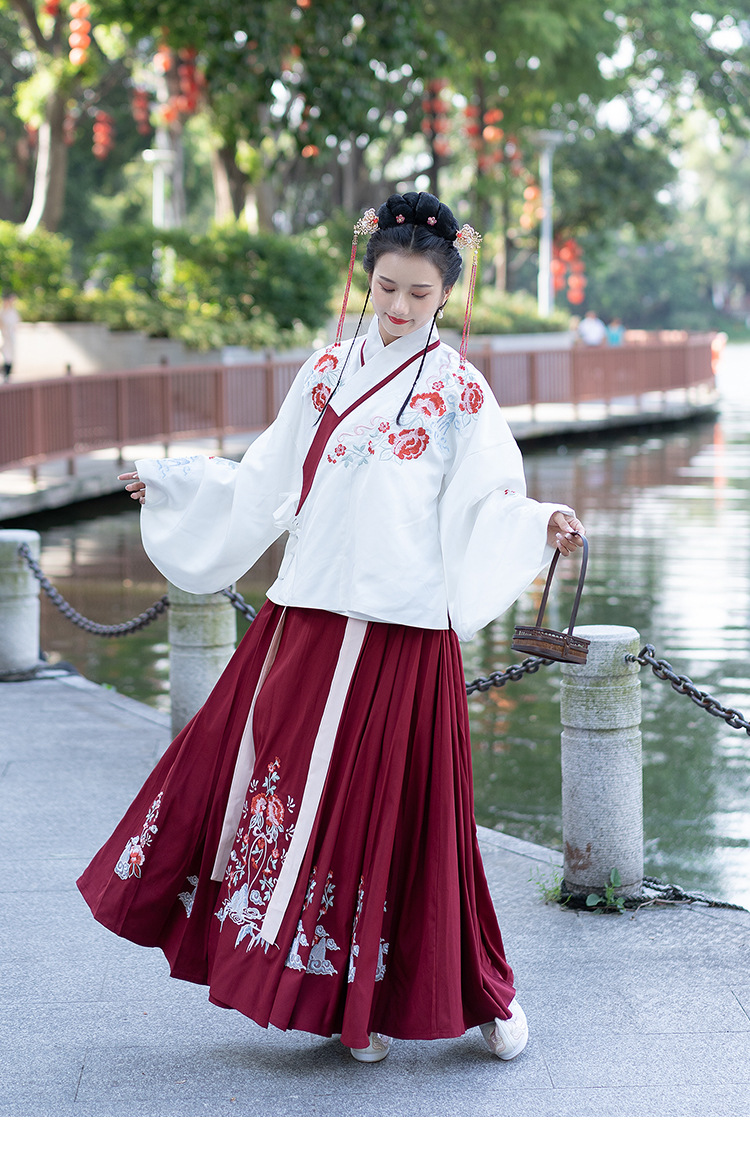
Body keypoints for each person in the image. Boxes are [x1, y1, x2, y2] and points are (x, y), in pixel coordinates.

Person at [77, 191, 584, 1065]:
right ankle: (338, 997)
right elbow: (262, 481)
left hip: (405, 630)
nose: (397, 308)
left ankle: (483, 994)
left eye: (419, 295)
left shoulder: (461, 392)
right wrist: (171, 479)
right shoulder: (322, 373)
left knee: (412, 819)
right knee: (267, 789)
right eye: (387, 287)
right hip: (308, 616)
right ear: (368, 276)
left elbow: (488, 504)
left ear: (446, 295)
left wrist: (542, 523)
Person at [0, 292, 20, 381]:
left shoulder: (12, 311)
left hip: (10, 336)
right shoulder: (3, 311)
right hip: (5, 336)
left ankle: (7, 373)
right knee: (6, 353)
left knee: (9, 355)